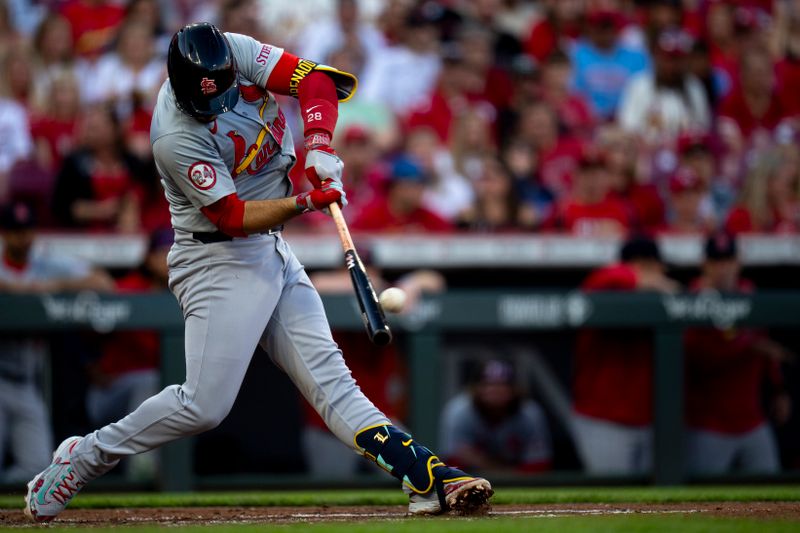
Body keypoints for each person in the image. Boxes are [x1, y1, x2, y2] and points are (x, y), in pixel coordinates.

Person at [24, 22, 492, 522]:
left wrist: (318, 143)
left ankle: (426, 477)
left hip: (270, 249)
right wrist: (309, 200)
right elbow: (232, 216)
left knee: (335, 385)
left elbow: (315, 81)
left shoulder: (233, 50)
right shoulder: (174, 136)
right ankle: (85, 456)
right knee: (204, 406)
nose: (218, 104)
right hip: (216, 259)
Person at [0, 201, 113, 483]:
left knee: (37, 470)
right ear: (4, 234)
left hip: (27, 383)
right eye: (15, 232)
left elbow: (102, 282)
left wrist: (55, 286)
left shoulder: (44, 264)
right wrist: (23, 291)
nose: (23, 238)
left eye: (27, 231)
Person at [684, 233, 791, 475]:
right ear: (705, 264)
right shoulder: (693, 299)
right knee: (701, 500)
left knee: (770, 494)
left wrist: (778, 387)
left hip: (752, 420)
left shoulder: (748, 293)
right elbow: (698, 358)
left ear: (738, 262)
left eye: (728, 260)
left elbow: (765, 346)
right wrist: (746, 346)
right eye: (716, 261)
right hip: (709, 424)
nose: (723, 268)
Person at [572, 236, 678, 474]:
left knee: (656, 504)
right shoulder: (605, 284)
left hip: (651, 422)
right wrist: (645, 278)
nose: (663, 274)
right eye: (658, 268)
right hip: (604, 422)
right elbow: (604, 278)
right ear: (642, 264)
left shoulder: (656, 302)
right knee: (612, 500)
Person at [439, 359, 552, 474]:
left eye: (503, 385)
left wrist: (499, 470)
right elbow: (451, 462)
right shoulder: (459, 411)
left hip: (517, 480)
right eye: (487, 384)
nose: (495, 390)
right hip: (472, 479)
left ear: (515, 389)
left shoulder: (529, 413)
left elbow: (539, 464)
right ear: (475, 389)